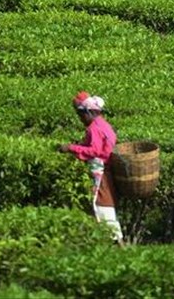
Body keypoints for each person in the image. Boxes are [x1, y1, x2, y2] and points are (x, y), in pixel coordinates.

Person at [57, 91, 124, 244]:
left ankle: (119, 246)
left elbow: (96, 151)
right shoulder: (104, 124)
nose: (80, 119)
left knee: (103, 208)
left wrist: (71, 148)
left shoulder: (94, 128)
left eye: (80, 115)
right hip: (105, 172)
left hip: (101, 173)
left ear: (88, 112)